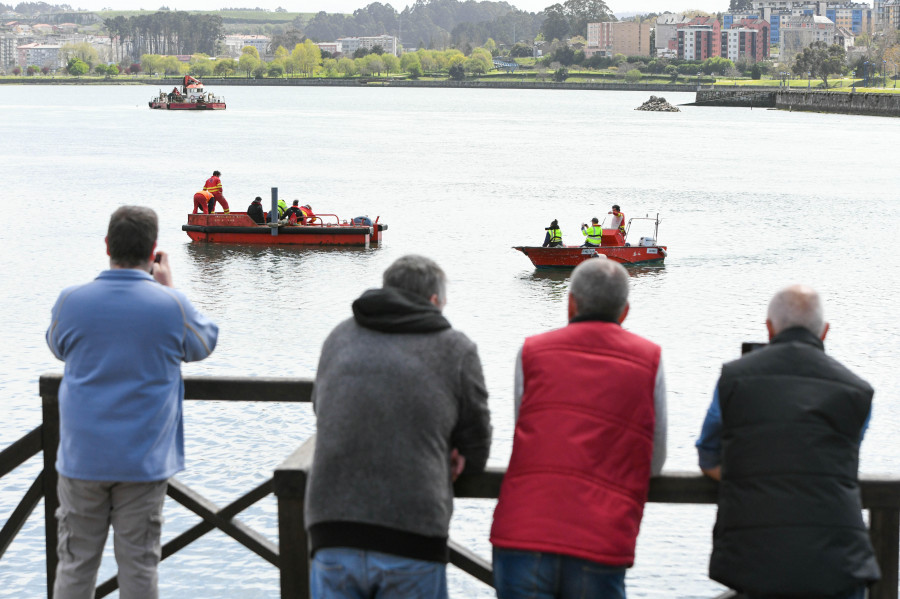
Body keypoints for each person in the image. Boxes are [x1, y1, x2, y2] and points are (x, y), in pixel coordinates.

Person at [46, 206, 218, 599]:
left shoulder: (70, 301)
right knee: (139, 567)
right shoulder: (170, 306)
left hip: (82, 459)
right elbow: (203, 343)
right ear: (153, 249)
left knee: (75, 564)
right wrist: (169, 288)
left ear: (107, 245)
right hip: (143, 461)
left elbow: (57, 346)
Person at [305, 254, 492, 599]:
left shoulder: (339, 337)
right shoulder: (456, 349)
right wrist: (443, 457)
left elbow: (322, 408)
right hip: (412, 531)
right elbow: (476, 448)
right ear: (434, 302)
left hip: (331, 527)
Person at [491, 258, 666, 599]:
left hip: (523, 529)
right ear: (625, 311)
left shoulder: (531, 352)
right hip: (600, 537)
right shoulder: (649, 360)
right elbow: (654, 461)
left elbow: (525, 434)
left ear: (570, 303)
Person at [696, 285, 879, 599]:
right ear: (824, 332)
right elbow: (842, 459)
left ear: (769, 328)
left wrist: (758, 480)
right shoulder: (857, 391)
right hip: (839, 558)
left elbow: (709, 457)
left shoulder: (734, 378)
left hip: (755, 558)